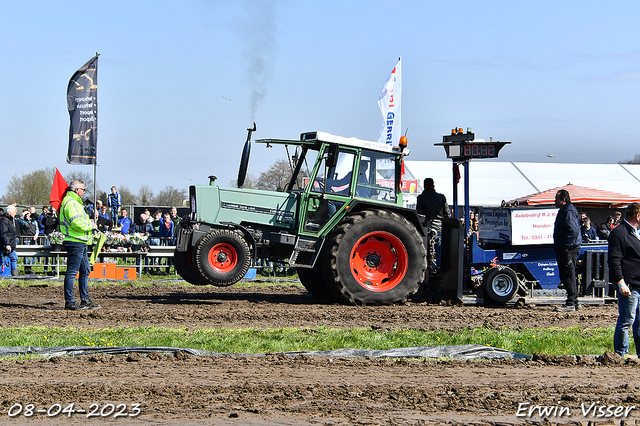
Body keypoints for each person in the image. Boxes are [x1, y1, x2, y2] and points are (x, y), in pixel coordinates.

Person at [60, 180, 100, 310]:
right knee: (72, 272)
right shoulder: (71, 202)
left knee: (85, 270)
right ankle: (70, 301)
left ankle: (85, 299)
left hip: (80, 242)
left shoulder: (74, 202)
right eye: (83, 189)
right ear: (77, 190)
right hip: (75, 241)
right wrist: (90, 225)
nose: (84, 192)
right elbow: (76, 222)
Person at [609, 202, 640, 358]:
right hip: (630, 285)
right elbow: (614, 260)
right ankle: (620, 354)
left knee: (639, 322)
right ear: (638, 216)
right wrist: (621, 283)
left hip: (639, 284)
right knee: (627, 320)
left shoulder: (636, 232)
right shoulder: (619, 233)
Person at [553, 189, 582, 312]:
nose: (555, 201)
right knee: (566, 275)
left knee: (567, 275)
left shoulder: (568, 211)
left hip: (569, 249)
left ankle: (571, 302)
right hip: (567, 248)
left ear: (563, 200)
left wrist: (566, 247)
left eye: (557, 199)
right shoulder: (565, 210)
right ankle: (574, 301)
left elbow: (572, 231)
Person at [0, 205, 20, 276]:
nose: (15, 213)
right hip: (4, 245)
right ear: (9, 212)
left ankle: (14, 275)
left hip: (10, 244)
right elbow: (3, 233)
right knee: (2, 260)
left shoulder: (11, 220)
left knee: (14, 257)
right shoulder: (4, 221)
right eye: (14, 212)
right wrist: (7, 244)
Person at [19, 210, 39, 274]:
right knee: (26, 255)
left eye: (28, 214)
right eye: (26, 214)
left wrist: (36, 235)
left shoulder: (33, 221)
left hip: (33, 239)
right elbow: (19, 223)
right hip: (26, 238)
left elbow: (37, 229)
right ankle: (27, 268)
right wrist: (22, 215)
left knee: (35, 254)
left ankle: (29, 266)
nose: (27, 215)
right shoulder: (22, 221)